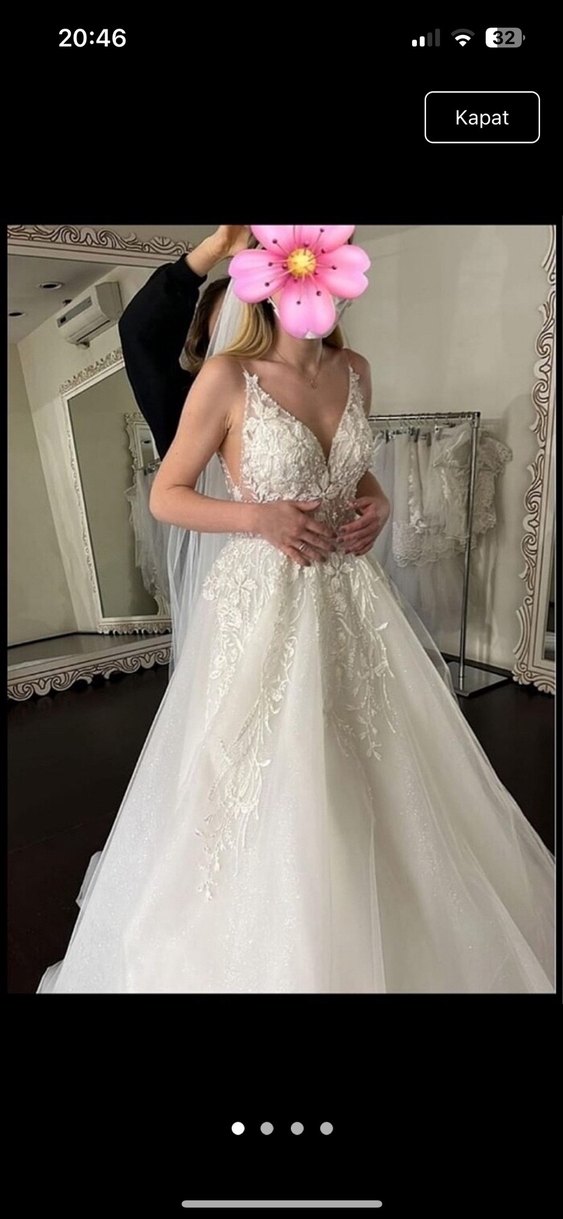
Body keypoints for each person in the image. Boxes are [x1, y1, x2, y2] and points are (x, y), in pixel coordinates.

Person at [36, 233, 554, 994]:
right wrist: (257, 518)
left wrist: (377, 505)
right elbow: (167, 495)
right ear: (268, 278)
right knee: (264, 762)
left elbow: (354, 473)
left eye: (334, 268)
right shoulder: (228, 376)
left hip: (350, 594)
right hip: (263, 597)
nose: (325, 286)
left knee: (378, 754)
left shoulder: (356, 370)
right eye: (307, 267)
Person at [118, 225, 250, 458]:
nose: (242, 334)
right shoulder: (188, 404)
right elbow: (138, 332)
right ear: (207, 341)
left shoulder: (306, 383)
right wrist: (213, 249)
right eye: (227, 324)